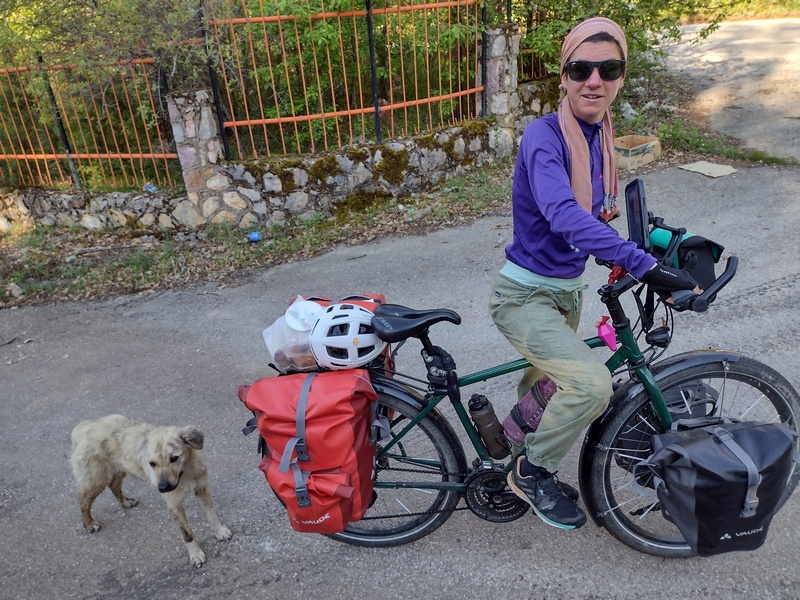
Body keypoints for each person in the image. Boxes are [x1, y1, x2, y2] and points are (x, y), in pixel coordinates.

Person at [489, 16, 700, 530]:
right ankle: (531, 471)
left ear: (621, 77)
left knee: (546, 387)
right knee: (590, 385)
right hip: (524, 296)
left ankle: (503, 455)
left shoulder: (598, 135)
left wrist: (647, 254)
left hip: (565, 293)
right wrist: (642, 264)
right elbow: (564, 215)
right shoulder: (545, 137)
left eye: (609, 69)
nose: (594, 81)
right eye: (581, 69)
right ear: (563, 76)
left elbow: (596, 215)